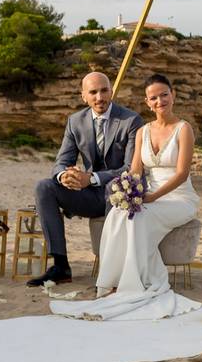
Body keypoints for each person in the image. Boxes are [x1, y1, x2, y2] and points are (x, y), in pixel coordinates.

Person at [50, 73, 199, 320]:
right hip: (149, 194)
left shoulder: (184, 129)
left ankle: (131, 284)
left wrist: (151, 197)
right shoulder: (143, 131)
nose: (160, 101)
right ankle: (111, 282)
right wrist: (128, 191)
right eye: (154, 97)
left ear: (173, 95)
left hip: (178, 197)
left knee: (139, 219)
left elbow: (182, 173)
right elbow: (136, 171)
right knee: (119, 214)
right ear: (147, 102)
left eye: (164, 95)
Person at [28, 71, 143, 287]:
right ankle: (60, 266)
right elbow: (61, 162)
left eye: (104, 90)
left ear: (111, 91)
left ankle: (112, 268)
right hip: (88, 197)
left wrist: (90, 179)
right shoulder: (75, 121)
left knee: (112, 186)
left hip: (119, 194)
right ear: (84, 96)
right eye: (93, 92)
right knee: (44, 186)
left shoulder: (131, 120)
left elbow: (130, 168)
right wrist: (65, 176)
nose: (99, 97)